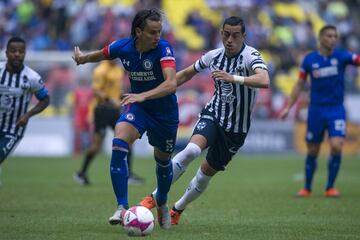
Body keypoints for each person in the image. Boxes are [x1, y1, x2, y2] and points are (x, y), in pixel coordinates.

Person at [140, 16, 269, 225]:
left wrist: (233, 78)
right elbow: (186, 75)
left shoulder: (250, 56)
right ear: (221, 33)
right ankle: (153, 198)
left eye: (235, 35)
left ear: (243, 36)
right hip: (213, 115)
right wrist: (159, 89)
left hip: (235, 130)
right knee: (191, 150)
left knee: (204, 174)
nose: (230, 39)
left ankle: (177, 209)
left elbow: (264, 80)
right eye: (226, 34)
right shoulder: (214, 56)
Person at [72, 9, 178, 229]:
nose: (158, 36)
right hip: (138, 107)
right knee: (119, 142)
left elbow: (171, 84)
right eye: (152, 32)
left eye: (159, 31)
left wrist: (144, 95)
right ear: (139, 32)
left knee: (163, 161)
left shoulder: (164, 48)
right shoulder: (123, 46)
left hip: (165, 113)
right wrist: (83, 59)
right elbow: (102, 54)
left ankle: (163, 202)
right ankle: (122, 207)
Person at [279, 25, 360, 198]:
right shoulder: (309, 60)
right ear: (321, 38)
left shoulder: (342, 56)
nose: (333, 39)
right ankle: (307, 188)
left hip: (336, 110)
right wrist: (288, 107)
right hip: (316, 110)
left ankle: (330, 187)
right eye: (329, 36)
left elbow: (358, 60)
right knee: (313, 150)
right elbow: (300, 84)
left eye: (335, 36)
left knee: (337, 146)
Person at [73, 61, 144, 186]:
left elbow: (118, 88)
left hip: (115, 110)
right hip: (102, 110)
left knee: (128, 140)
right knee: (96, 145)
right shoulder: (100, 70)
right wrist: (111, 100)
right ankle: (82, 172)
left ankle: (129, 174)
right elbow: (95, 91)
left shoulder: (118, 69)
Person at [0, 37, 50, 165]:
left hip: (13, 129)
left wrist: (27, 115)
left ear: (25, 53)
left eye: (21, 51)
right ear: (6, 53)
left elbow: (45, 100)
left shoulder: (32, 78)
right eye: (13, 51)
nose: (17, 54)